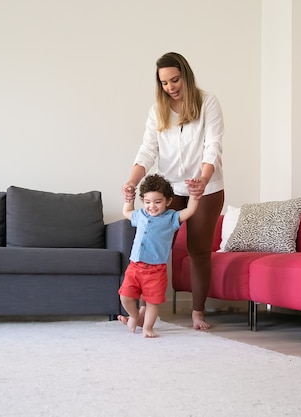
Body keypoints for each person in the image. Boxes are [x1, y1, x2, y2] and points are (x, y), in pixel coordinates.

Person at [121, 52, 225, 331]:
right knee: (154, 247)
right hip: (170, 188)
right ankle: (144, 311)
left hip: (206, 187)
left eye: (175, 80)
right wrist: (132, 181)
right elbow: (148, 149)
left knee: (198, 250)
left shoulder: (207, 103)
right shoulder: (158, 109)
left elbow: (212, 145)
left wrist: (202, 179)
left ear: (186, 76)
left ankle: (198, 312)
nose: (170, 87)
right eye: (164, 83)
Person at [118, 174, 199, 338]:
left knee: (152, 301)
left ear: (168, 201)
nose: (152, 206)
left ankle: (148, 327)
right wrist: (129, 198)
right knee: (125, 296)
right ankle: (134, 316)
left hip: (156, 270)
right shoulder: (140, 215)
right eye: (147, 202)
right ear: (143, 201)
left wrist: (194, 195)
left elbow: (190, 210)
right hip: (135, 267)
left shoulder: (171, 218)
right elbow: (126, 211)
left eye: (157, 202)